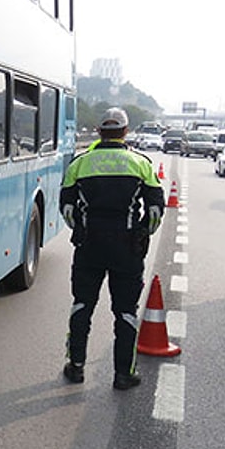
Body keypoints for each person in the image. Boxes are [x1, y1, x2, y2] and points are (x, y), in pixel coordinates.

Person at [60, 107, 165, 390]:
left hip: (89, 246)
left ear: (99, 132)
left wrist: (81, 231)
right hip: (127, 248)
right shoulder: (140, 163)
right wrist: (142, 233)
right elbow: (155, 211)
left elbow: (68, 209)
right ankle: (123, 374)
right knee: (125, 312)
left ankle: (76, 366)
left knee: (82, 305)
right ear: (125, 132)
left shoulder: (80, 164)